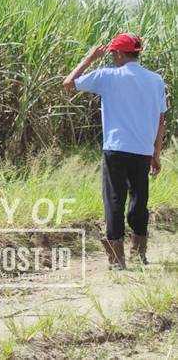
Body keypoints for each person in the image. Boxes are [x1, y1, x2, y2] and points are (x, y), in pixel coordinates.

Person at [63, 33, 167, 270]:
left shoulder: (108, 76)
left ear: (119, 53)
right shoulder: (156, 80)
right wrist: (156, 153)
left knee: (114, 201)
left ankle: (117, 260)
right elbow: (161, 120)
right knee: (139, 202)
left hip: (116, 148)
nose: (111, 57)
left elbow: (68, 83)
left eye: (112, 53)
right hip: (142, 149)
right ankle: (139, 254)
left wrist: (89, 59)